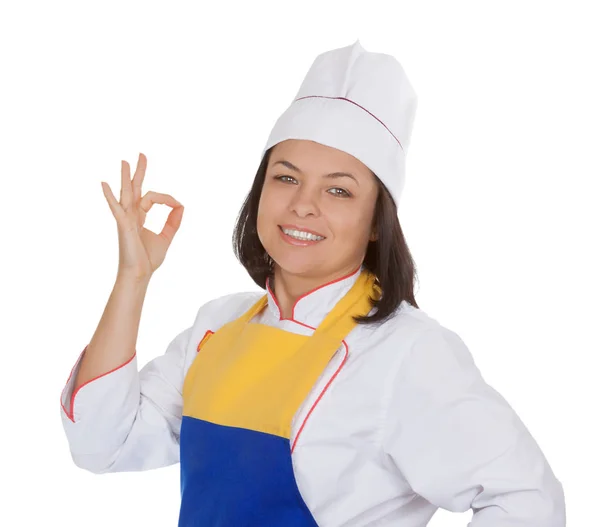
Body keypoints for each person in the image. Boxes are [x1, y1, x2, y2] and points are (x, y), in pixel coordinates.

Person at [59, 40, 566, 526]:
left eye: (339, 190)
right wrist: (134, 277)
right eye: (286, 177)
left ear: (375, 223)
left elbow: (525, 499)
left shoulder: (407, 354)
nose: (304, 204)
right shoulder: (217, 326)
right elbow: (103, 443)